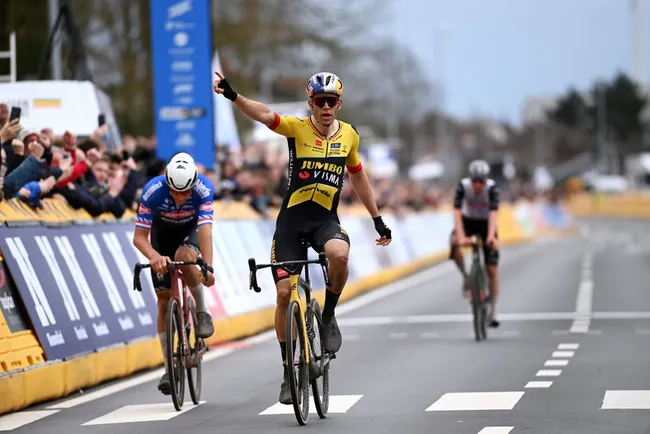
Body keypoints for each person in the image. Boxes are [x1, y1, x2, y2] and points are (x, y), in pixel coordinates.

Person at [213, 71, 392, 404]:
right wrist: (233, 96)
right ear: (311, 103)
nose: (326, 107)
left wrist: (377, 219)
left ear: (339, 104)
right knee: (283, 295)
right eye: (320, 102)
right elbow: (265, 114)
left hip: (325, 220)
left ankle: (327, 316)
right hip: (291, 224)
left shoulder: (350, 136)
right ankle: (287, 371)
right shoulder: (296, 129)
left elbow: (360, 178)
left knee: (339, 255)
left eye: (332, 102)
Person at [133, 152, 216, 395]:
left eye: (185, 193)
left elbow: (206, 232)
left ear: (194, 184)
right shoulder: (152, 190)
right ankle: (169, 367)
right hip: (162, 235)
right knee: (163, 301)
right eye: (175, 192)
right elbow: (139, 237)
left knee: (185, 257)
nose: (180, 198)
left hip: (190, 232)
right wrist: (154, 257)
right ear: (167, 182)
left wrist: (208, 267)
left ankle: (201, 310)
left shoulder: (204, 188)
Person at [449, 159, 501, 327]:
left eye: (481, 181)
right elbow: (457, 212)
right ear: (470, 179)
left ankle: (493, 310)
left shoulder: (492, 189)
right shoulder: (463, 186)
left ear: (486, 180)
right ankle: (466, 276)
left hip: (487, 224)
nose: (478, 185)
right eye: (475, 181)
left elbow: (493, 214)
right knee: (454, 242)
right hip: (468, 221)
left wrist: (491, 237)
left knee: (492, 269)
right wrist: (461, 236)